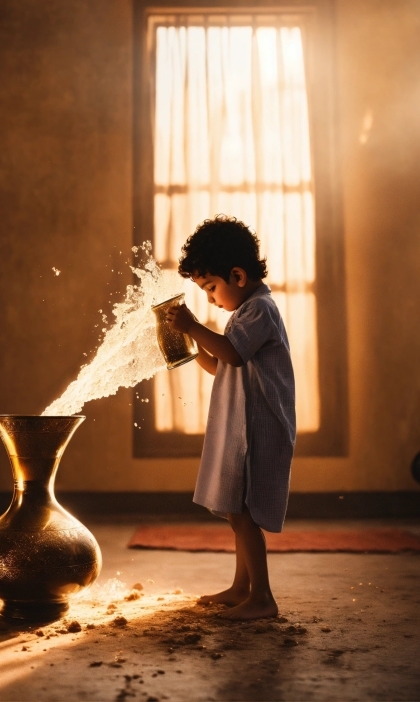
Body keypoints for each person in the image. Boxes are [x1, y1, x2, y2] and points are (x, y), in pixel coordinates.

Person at [166, 215, 296, 621]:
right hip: (243, 428)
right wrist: (184, 345)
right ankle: (243, 588)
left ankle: (262, 598)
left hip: (259, 430)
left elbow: (234, 353)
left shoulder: (260, 310)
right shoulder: (243, 315)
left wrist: (193, 325)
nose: (209, 298)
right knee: (237, 512)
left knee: (245, 514)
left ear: (237, 275)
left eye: (210, 288)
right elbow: (223, 363)